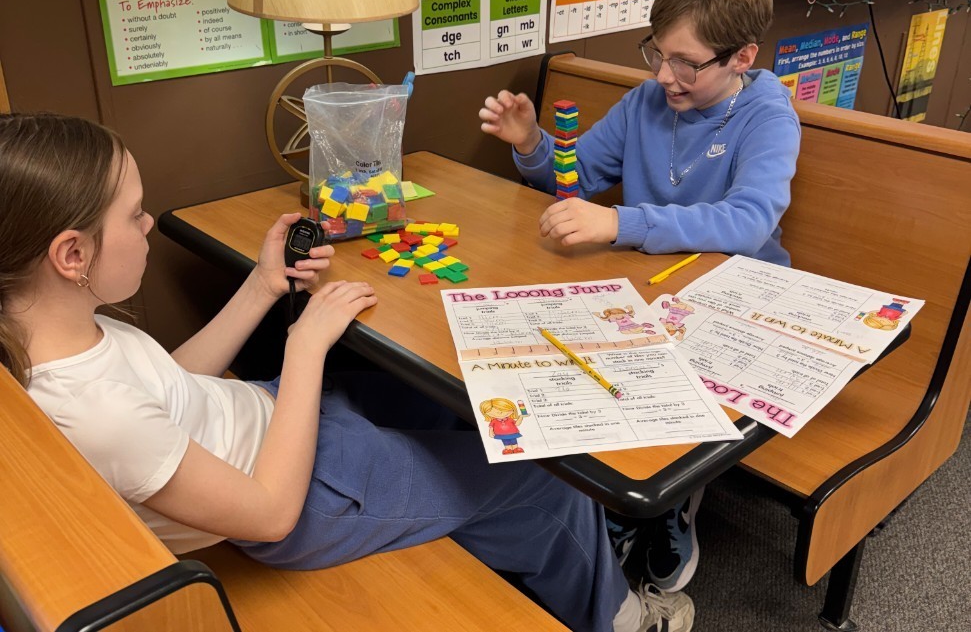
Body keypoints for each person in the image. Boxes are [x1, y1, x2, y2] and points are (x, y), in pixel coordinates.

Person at [0, 112, 694, 632]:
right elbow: (270, 513)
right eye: (135, 214)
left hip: (271, 423)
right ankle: (624, 616)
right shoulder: (96, 412)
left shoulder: (54, 329)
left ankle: (510, 545)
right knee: (541, 477)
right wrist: (304, 346)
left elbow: (171, 387)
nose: (150, 224)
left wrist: (264, 288)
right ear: (71, 254)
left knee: (452, 401)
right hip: (305, 497)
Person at [479, 0, 801, 592]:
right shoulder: (645, 101)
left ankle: (670, 502)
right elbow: (573, 184)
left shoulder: (768, 115)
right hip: (651, 285)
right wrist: (531, 144)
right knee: (575, 365)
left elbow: (747, 223)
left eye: (687, 62)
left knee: (665, 380)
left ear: (742, 57)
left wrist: (620, 223)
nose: (664, 74)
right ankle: (622, 503)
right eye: (658, 52)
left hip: (735, 295)